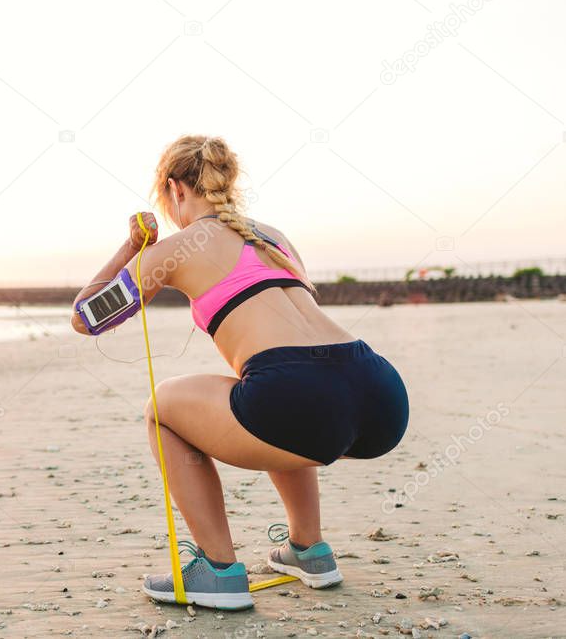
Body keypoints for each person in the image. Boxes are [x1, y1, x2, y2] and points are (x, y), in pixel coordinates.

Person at [71, 135, 409, 610]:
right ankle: (308, 550)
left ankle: (217, 570)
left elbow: (87, 316)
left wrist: (132, 247)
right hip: (378, 391)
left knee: (163, 409)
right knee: (269, 397)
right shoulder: (275, 236)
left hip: (299, 395)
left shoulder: (175, 247)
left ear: (174, 189)